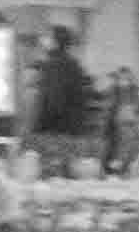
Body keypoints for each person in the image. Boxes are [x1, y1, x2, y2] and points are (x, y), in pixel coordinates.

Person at [26, 25, 94, 175]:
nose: (43, 41)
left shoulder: (54, 65)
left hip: (55, 134)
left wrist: (37, 130)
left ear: (55, 42)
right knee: (66, 179)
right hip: (71, 133)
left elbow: (53, 101)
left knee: (52, 179)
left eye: (47, 37)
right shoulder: (74, 65)